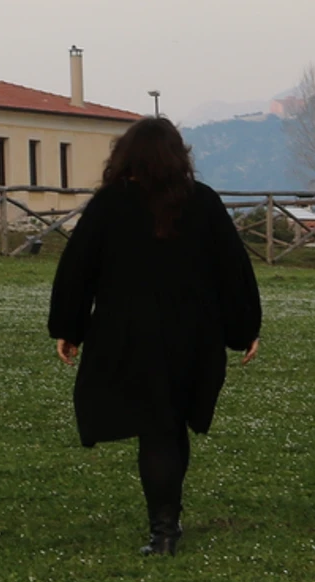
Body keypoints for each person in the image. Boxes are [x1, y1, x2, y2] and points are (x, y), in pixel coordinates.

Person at [46, 117, 262, 555]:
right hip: (194, 334)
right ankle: (167, 526)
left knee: (157, 426)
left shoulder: (108, 206)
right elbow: (233, 272)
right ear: (179, 156)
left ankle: (163, 530)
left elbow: (76, 270)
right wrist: (244, 329)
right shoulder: (203, 202)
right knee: (169, 423)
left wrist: (69, 327)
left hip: (127, 333)